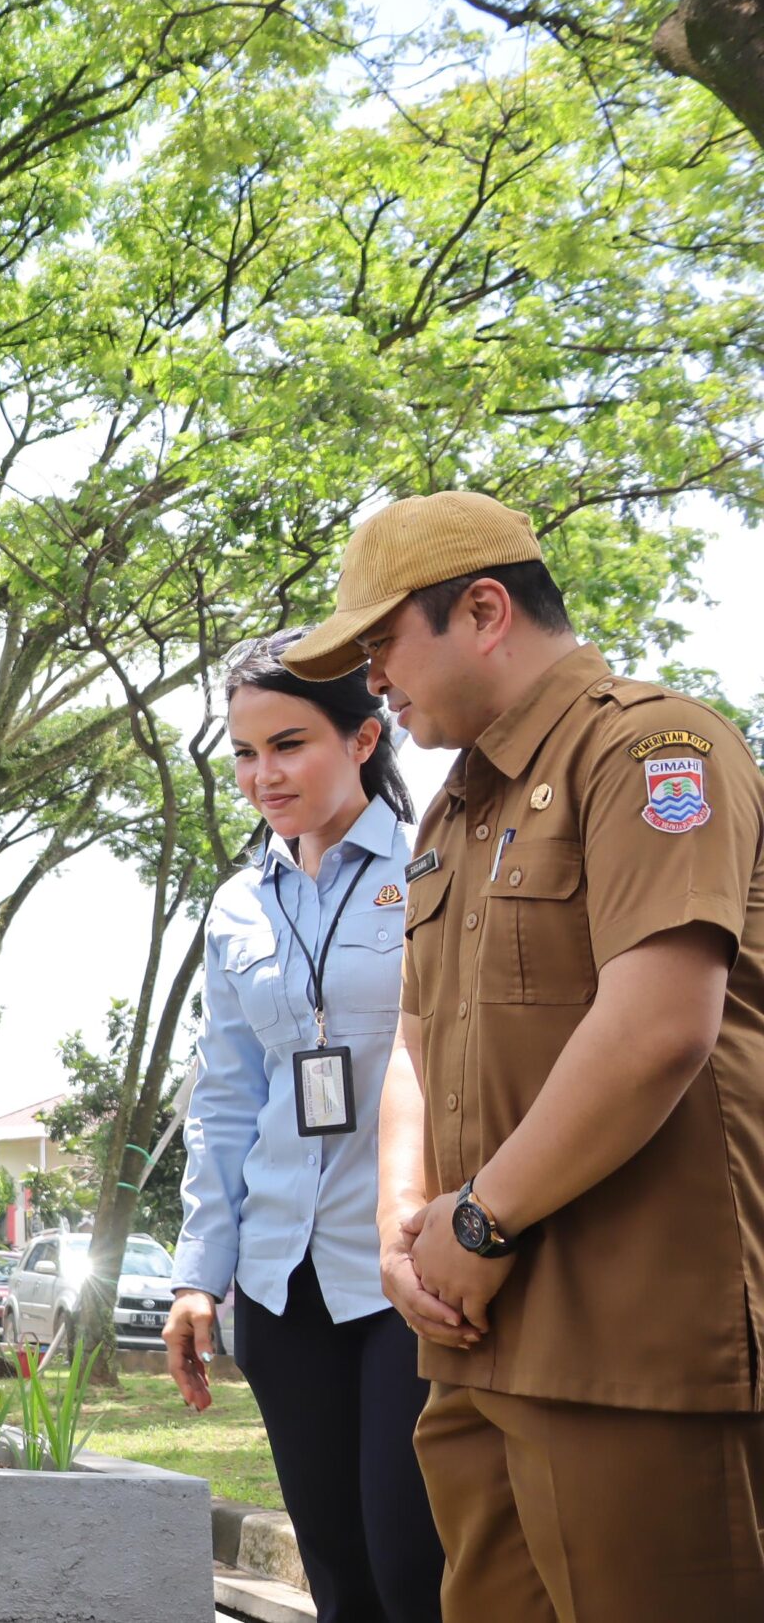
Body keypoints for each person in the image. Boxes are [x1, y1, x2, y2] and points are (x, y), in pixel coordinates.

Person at [283, 490, 764, 1621]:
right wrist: (405, 1230)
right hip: (477, 1343)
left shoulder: (651, 748)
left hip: (630, 1355)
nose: (371, 684)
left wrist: (480, 1219)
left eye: (381, 645)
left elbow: (658, 1028)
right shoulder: (451, 811)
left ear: (484, 609)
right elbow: (415, 1032)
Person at [163, 630, 444, 1623]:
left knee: (412, 1562)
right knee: (334, 1567)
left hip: (405, 1271)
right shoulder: (237, 905)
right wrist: (201, 1272)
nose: (261, 775)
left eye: (288, 745)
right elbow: (227, 1095)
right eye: (243, 753)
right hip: (282, 1279)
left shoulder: (430, 870)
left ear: (365, 736)